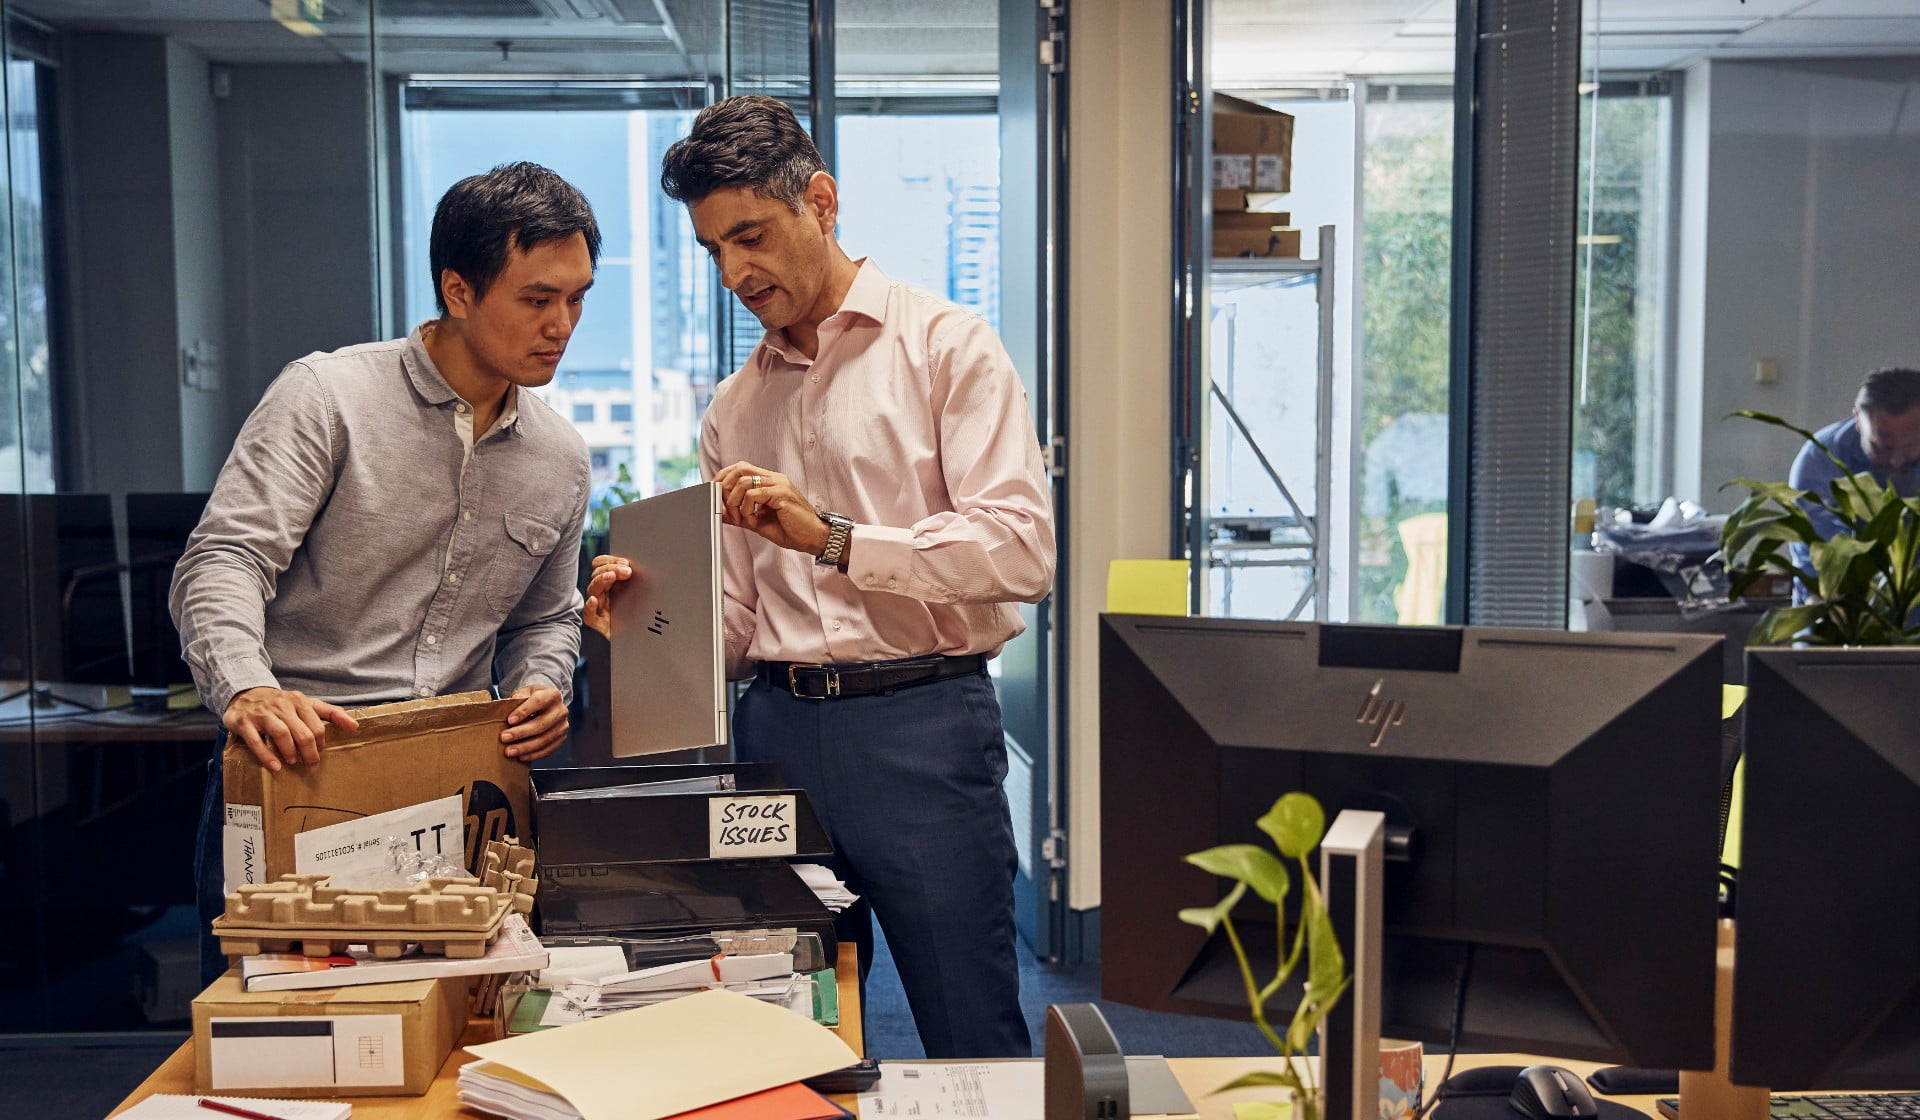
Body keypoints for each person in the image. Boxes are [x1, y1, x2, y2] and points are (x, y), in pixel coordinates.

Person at [585, 95, 1055, 1059]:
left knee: (970, 1029)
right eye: (713, 250)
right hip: (776, 738)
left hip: (923, 730)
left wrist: (834, 538)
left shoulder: (946, 347)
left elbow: (1021, 551)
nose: (734, 274)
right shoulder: (733, 407)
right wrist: (642, 624)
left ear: (822, 203)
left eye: (751, 237)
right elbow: (735, 623)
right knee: (785, 1038)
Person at [172, 161, 601, 983]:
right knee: (278, 1025)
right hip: (303, 757)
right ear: (458, 290)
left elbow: (546, 616)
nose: (562, 325)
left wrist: (542, 685)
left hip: (462, 777)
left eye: (577, 299)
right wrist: (246, 687)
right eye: (538, 299)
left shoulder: (560, 457)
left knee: (450, 1020)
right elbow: (225, 557)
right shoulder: (326, 397)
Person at [1787, 366, 1920, 599]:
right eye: (1883, 447)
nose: (1896, 460)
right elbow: (1820, 565)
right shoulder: (1821, 462)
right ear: (1858, 420)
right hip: (1845, 607)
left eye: (1911, 446)